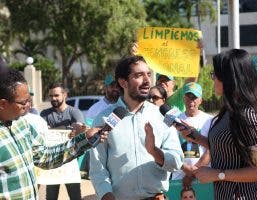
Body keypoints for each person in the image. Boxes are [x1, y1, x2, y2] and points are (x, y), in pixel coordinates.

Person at [179, 49, 257, 199]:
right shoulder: (228, 111)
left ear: (229, 78)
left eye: (215, 75)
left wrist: (218, 174)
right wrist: (195, 136)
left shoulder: (247, 116)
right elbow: (228, 148)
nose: (212, 79)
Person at [0, 67, 105, 199]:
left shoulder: (22, 125)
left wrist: (85, 139)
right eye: (23, 102)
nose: (28, 105)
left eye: (29, 100)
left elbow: (45, 157)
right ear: (3, 104)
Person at [90, 55, 184, 200]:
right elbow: (98, 168)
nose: (147, 81)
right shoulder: (104, 119)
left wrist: (154, 151)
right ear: (123, 82)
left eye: (148, 74)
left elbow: (176, 161)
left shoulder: (161, 116)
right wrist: (107, 196)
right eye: (139, 75)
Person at [40, 83, 85, 200]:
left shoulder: (74, 112)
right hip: (52, 161)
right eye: (51, 96)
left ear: (64, 95)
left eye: (56, 95)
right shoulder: (44, 114)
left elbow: (79, 127)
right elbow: (41, 133)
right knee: (51, 197)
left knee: (75, 196)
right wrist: (67, 129)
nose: (53, 98)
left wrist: (76, 129)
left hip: (70, 161)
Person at [172, 82, 212, 182]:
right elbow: (170, 148)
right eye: (188, 96)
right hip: (179, 177)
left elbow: (212, 149)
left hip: (203, 175)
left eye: (194, 97)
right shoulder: (175, 120)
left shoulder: (210, 120)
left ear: (201, 100)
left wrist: (194, 172)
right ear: (183, 99)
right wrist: (186, 169)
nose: (191, 101)